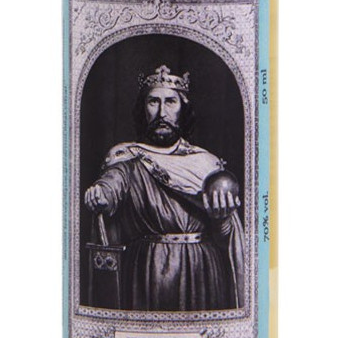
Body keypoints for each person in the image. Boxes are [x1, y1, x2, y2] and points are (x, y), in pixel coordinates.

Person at [84, 65, 246, 311]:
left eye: (170, 102)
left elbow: (225, 239)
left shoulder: (206, 163)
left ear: (183, 108)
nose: (162, 112)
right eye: (153, 102)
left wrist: (222, 219)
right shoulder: (127, 158)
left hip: (202, 271)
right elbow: (111, 185)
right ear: (143, 108)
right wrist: (100, 194)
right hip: (148, 271)